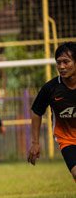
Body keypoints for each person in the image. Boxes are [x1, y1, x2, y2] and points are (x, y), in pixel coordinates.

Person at [28, 42, 76, 180]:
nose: (61, 67)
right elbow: (37, 112)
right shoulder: (50, 88)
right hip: (67, 140)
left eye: (66, 62)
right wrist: (35, 143)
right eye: (58, 62)